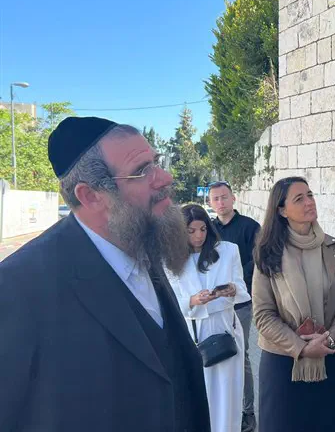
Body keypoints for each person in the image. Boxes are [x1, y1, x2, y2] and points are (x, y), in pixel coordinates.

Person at [0, 117, 210, 431]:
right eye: (141, 171)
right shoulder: (17, 287)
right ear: (91, 196)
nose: (165, 177)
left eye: (156, 163)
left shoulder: (140, 240)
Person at [252, 176, 335, 432]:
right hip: (284, 362)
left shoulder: (334, 248)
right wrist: (301, 347)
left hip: (329, 356)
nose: (309, 202)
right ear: (281, 210)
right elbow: (263, 315)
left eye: (310, 195)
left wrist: (330, 340)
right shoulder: (268, 253)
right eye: (299, 198)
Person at [165, 204, 252, 432]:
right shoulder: (170, 259)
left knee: (228, 393)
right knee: (199, 393)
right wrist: (193, 300)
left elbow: (242, 288)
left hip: (225, 329)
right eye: (191, 231)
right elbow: (170, 301)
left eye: (203, 229)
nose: (199, 236)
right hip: (194, 333)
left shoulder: (228, 250)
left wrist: (232, 289)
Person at [208, 180, 261, 431]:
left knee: (241, 354)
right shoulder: (208, 230)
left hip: (240, 302)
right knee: (216, 352)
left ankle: (246, 411)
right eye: (215, 198)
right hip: (214, 305)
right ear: (210, 202)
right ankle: (219, 407)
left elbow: (258, 261)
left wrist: (237, 284)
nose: (220, 202)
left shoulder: (250, 227)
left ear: (233, 199)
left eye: (224, 197)